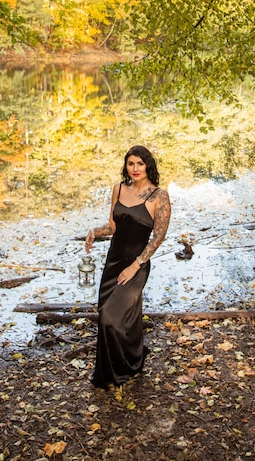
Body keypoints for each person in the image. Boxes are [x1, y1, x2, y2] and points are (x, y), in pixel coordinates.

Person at [84, 145, 171, 390]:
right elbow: (113, 226)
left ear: (148, 166)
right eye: (130, 164)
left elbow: (158, 237)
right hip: (113, 262)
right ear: (126, 165)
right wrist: (94, 231)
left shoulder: (158, 196)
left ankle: (117, 371)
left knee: (110, 319)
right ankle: (133, 360)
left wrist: (135, 266)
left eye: (139, 164)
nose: (134, 169)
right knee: (122, 316)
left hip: (137, 264)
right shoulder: (119, 189)